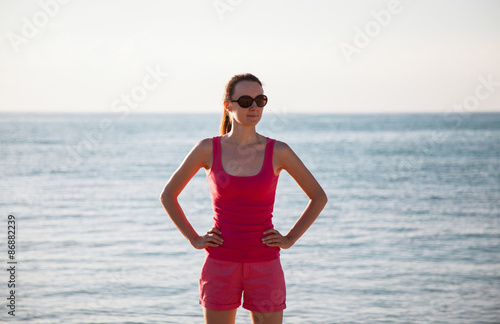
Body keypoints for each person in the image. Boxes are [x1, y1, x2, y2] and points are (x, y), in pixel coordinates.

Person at [159, 73, 327, 324]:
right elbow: (168, 195)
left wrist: (290, 239)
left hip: (265, 265)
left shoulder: (278, 151)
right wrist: (194, 238)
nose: (255, 107)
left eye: (261, 100)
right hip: (220, 263)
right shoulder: (208, 148)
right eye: (246, 100)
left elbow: (318, 197)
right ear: (228, 105)